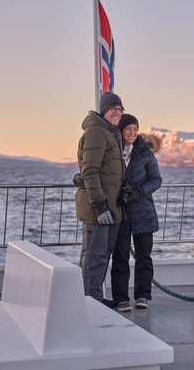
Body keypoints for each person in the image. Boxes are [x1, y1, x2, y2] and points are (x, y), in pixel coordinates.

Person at [75, 92, 126, 303]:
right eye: (113, 108)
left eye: (120, 109)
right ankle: (89, 302)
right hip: (98, 208)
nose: (117, 112)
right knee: (94, 258)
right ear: (104, 110)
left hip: (111, 207)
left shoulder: (110, 133)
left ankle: (94, 298)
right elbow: (90, 171)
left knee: (103, 256)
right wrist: (100, 206)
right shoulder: (96, 132)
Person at [110, 114, 163, 312]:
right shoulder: (112, 151)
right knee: (121, 257)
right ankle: (121, 299)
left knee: (144, 257)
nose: (132, 133)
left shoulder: (145, 154)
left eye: (135, 129)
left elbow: (156, 180)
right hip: (120, 211)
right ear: (121, 130)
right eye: (128, 129)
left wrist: (138, 192)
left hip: (143, 211)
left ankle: (143, 295)